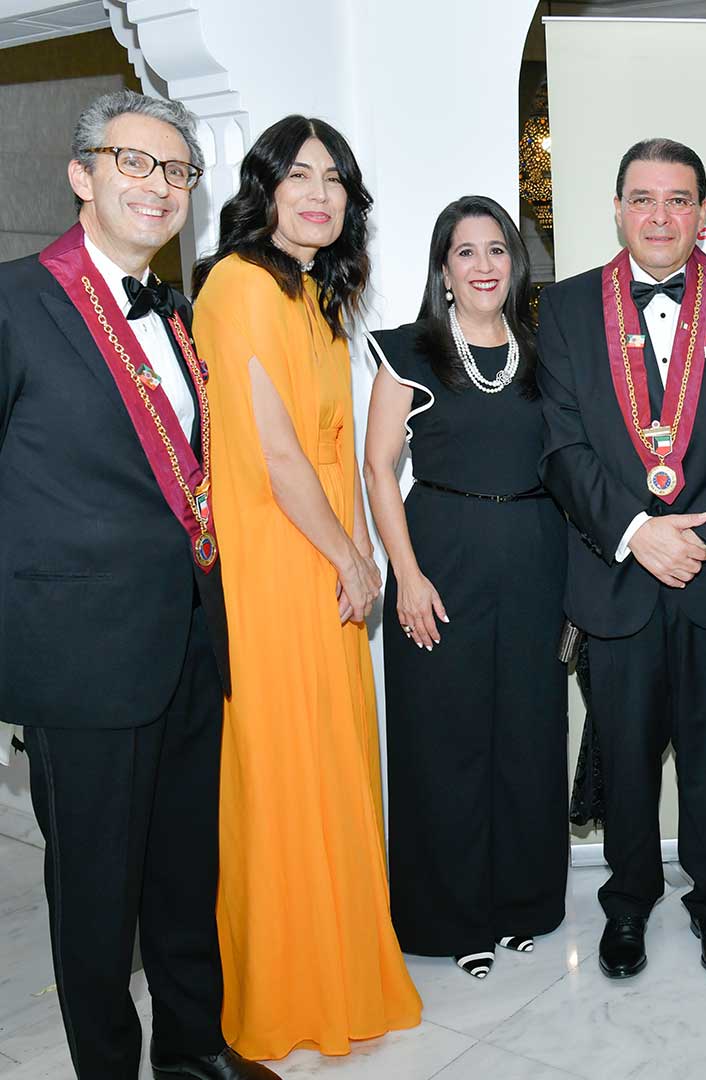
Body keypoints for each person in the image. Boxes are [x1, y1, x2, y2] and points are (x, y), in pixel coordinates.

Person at [0, 90, 274, 1079]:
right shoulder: (15, 302)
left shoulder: (179, 310)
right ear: (82, 175)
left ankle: (193, 1054)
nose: (160, 187)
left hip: (189, 637)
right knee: (95, 896)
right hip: (79, 657)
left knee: (184, 872)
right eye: (135, 163)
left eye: (178, 171)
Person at [191, 115, 420, 1058]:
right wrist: (351, 559)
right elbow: (277, 457)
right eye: (299, 175)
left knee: (333, 762)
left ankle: (341, 971)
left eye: (335, 179)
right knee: (282, 771)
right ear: (264, 189)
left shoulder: (318, 295)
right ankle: (285, 994)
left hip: (325, 558)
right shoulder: (237, 286)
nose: (319, 194)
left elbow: (343, 453)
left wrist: (359, 554)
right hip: (274, 560)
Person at [537, 137, 706, 980]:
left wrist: (699, 536)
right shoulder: (566, 307)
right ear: (617, 209)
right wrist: (636, 532)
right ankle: (628, 901)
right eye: (642, 199)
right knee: (625, 749)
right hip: (615, 573)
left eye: (677, 199)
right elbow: (561, 445)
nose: (659, 216)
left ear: (702, 212)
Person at [363, 195, 569, 980]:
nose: (483, 266)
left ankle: (519, 905)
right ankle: (449, 918)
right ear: (443, 271)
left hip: (534, 560)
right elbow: (378, 468)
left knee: (527, 736)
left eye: (496, 250)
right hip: (440, 563)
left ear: (515, 265)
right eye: (465, 252)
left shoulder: (547, 355)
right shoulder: (409, 353)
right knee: (442, 741)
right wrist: (406, 576)